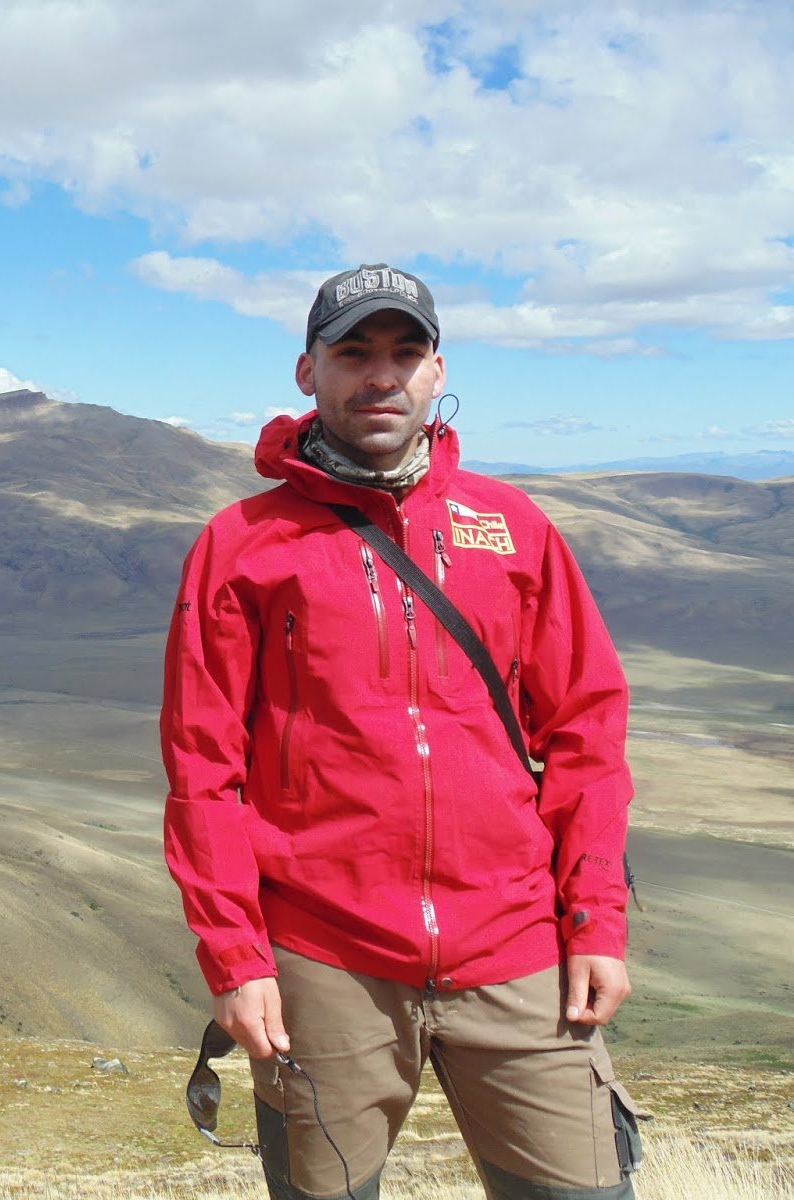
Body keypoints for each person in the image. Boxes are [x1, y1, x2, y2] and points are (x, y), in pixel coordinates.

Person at [161, 263, 642, 1200]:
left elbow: (587, 729)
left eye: (404, 352)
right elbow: (202, 769)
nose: (380, 375)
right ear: (309, 372)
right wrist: (236, 956)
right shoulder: (243, 544)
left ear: (436, 370)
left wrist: (596, 919)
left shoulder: (513, 527)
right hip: (324, 958)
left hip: (516, 945)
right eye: (353, 352)